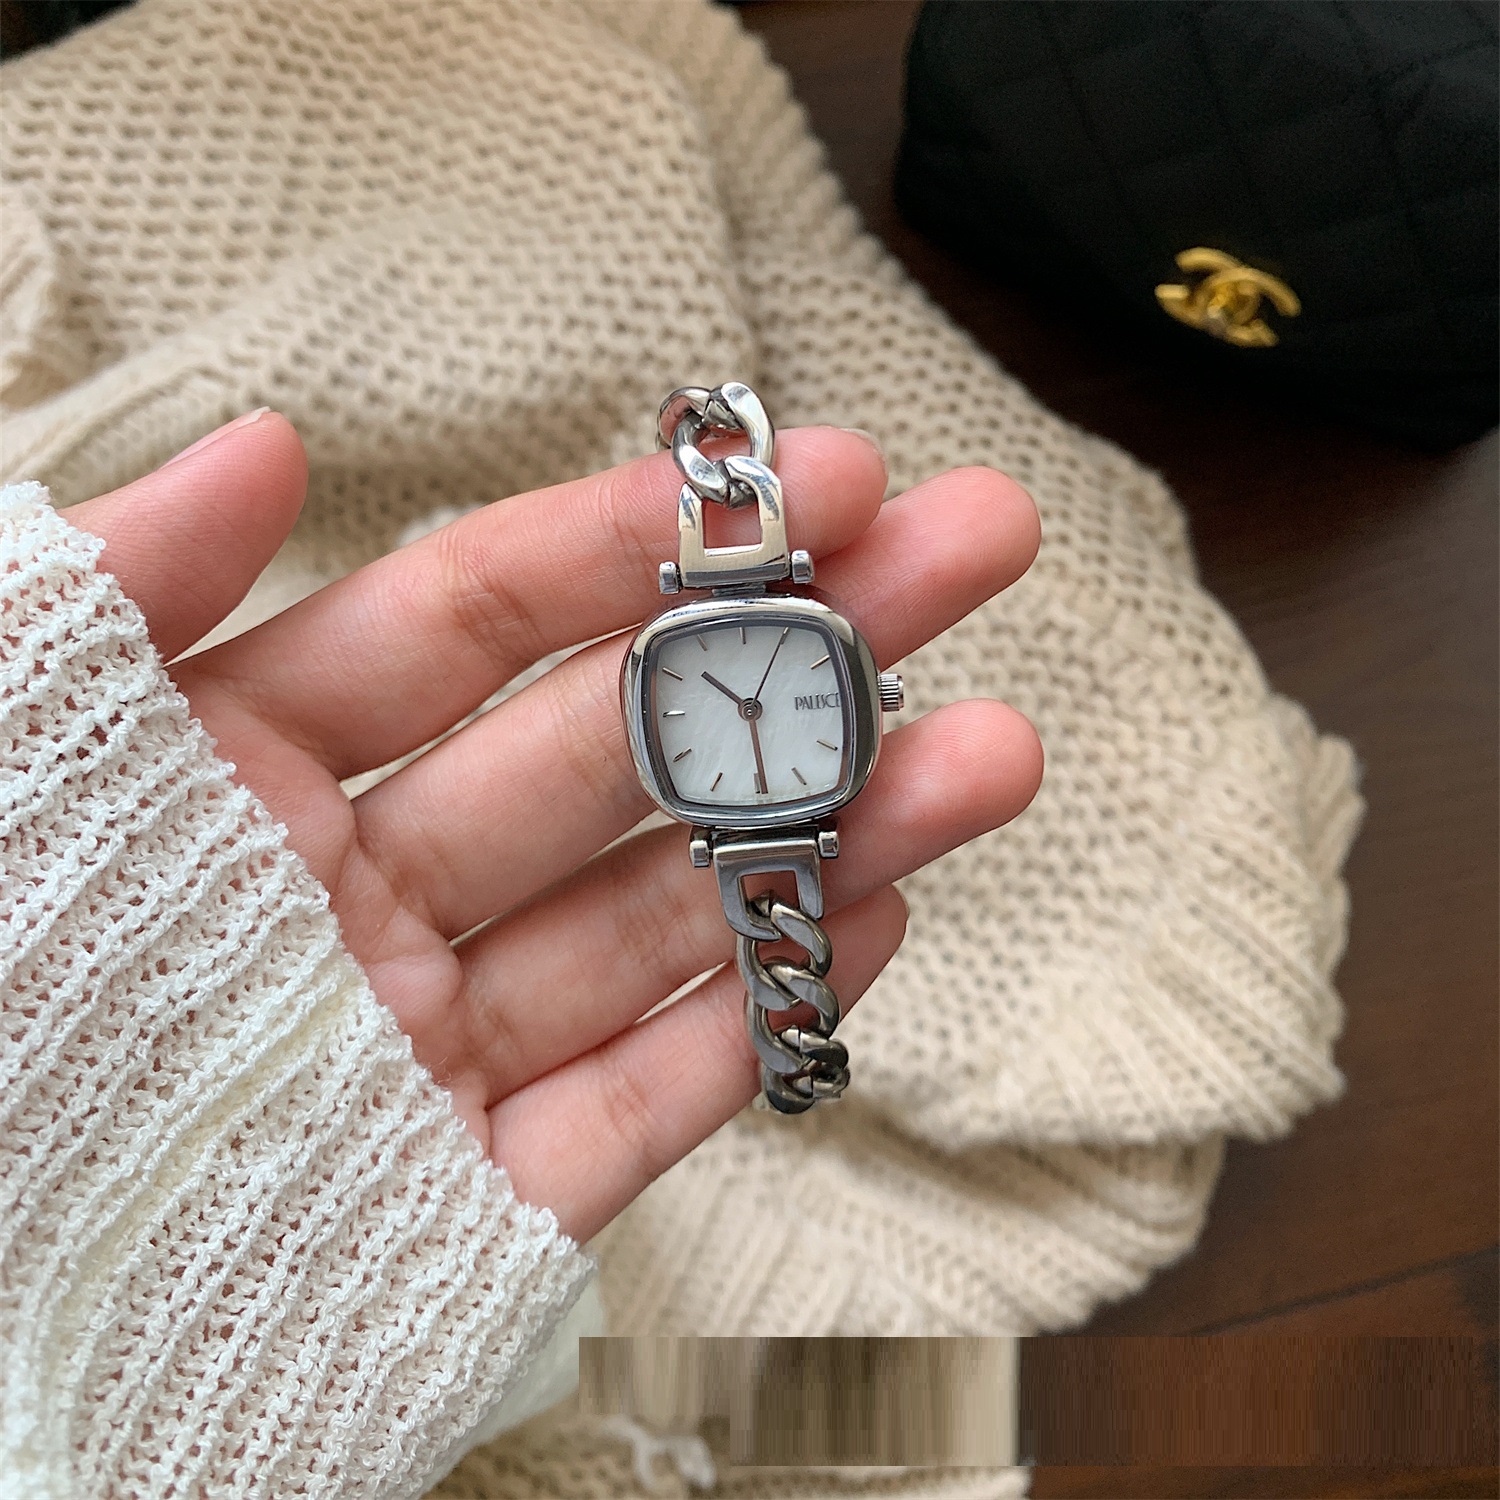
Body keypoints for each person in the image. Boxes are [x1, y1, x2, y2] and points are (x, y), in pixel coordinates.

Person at [2, 408, 1041, 1494]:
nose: (747, 704)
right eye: (718, 701)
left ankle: (793, 1058)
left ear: (865, 700)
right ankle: (792, 1056)